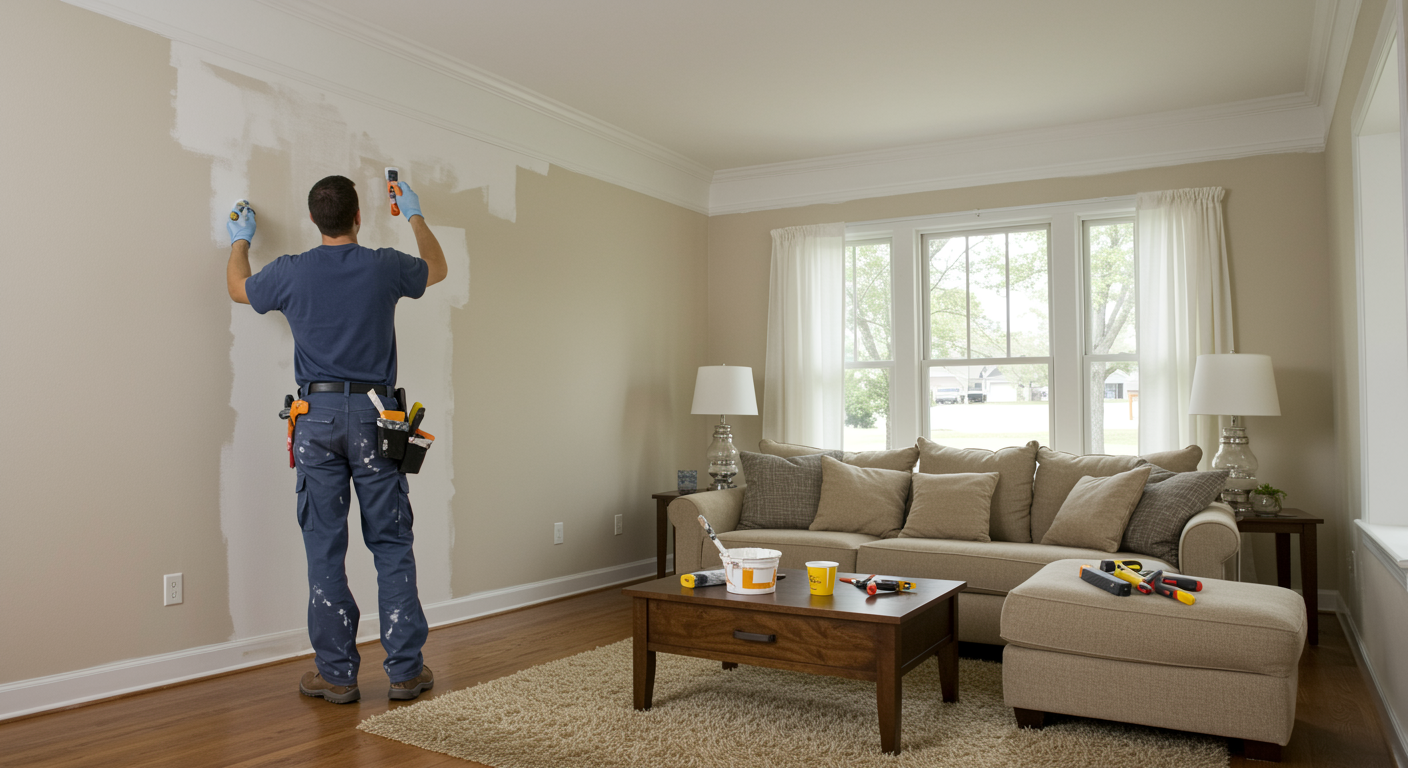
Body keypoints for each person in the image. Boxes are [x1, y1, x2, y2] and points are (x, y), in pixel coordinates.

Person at [225, 175, 448, 704]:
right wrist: (414, 214)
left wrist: (239, 238)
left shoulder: (290, 272)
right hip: (376, 415)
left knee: (324, 546)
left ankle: (337, 675)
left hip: (315, 417)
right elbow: (436, 268)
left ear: (313, 221)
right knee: (391, 543)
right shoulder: (384, 264)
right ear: (357, 219)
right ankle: (404, 671)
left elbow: (238, 288)